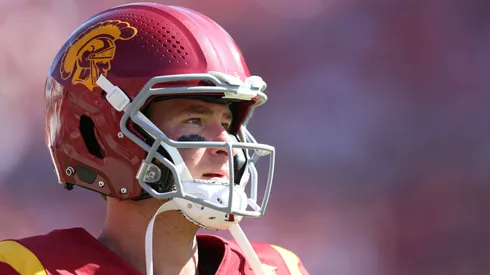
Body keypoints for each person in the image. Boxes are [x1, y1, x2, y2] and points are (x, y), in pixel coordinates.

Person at [0, 2, 309, 275]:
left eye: (227, 124)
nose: (227, 144)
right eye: (195, 121)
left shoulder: (278, 267)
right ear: (99, 135)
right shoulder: (27, 268)